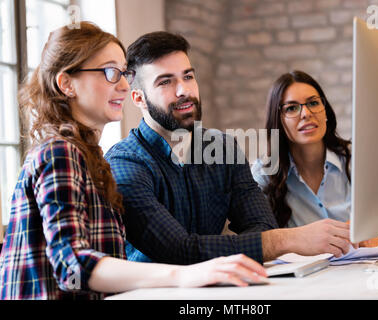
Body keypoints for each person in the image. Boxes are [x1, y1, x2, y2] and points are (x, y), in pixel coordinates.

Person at [0, 22, 268, 300]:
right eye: (110, 72)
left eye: (123, 73)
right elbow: (72, 266)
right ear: (67, 84)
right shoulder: (59, 152)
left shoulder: (89, 157)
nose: (125, 85)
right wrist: (185, 274)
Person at [105, 31, 355, 266]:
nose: (184, 90)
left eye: (188, 77)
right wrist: (287, 240)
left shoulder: (222, 148)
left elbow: (261, 225)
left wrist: (264, 242)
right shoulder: (125, 163)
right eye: (165, 82)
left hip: (223, 289)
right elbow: (178, 251)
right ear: (138, 98)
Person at [251, 70, 378, 247]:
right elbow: (254, 239)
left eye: (313, 103)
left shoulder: (361, 160)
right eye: (292, 108)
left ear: (325, 111)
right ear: (278, 121)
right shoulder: (264, 173)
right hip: (308, 274)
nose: (306, 113)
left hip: (366, 272)